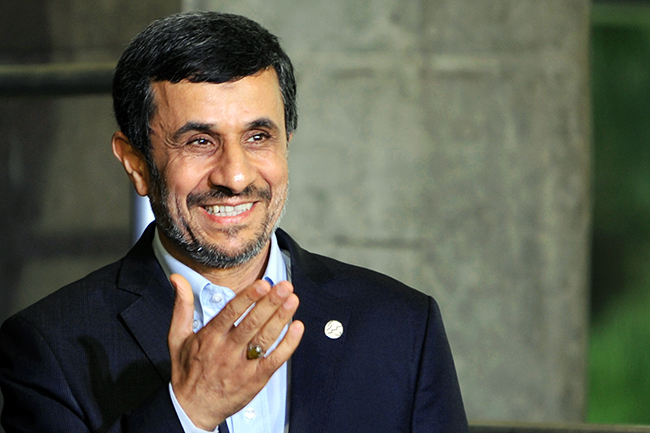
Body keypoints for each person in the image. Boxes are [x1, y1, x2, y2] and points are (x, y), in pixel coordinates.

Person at [0, 10, 468, 433]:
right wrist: (188, 412)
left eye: (258, 136)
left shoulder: (403, 327)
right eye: (200, 142)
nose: (236, 176)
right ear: (136, 163)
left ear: (287, 144)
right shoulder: (49, 348)